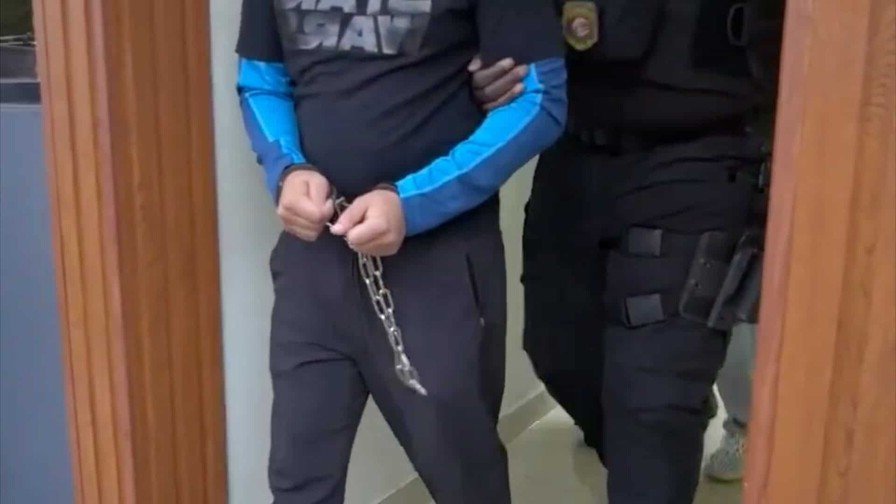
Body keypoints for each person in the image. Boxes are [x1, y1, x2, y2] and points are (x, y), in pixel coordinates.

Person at [235, 0, 566, 502]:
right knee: (298, 480)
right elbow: (262, 78)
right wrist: (287, 167)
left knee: (465, 478)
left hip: (438, 266)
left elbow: (541, 102)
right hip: (315, 264)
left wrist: (413, 203)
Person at [470, 0, 782, 502]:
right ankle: (668, 427)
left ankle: (667, 426)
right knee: (559, 355)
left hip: (701, 154)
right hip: (573, 149)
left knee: (653, 401)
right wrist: (488, 66)